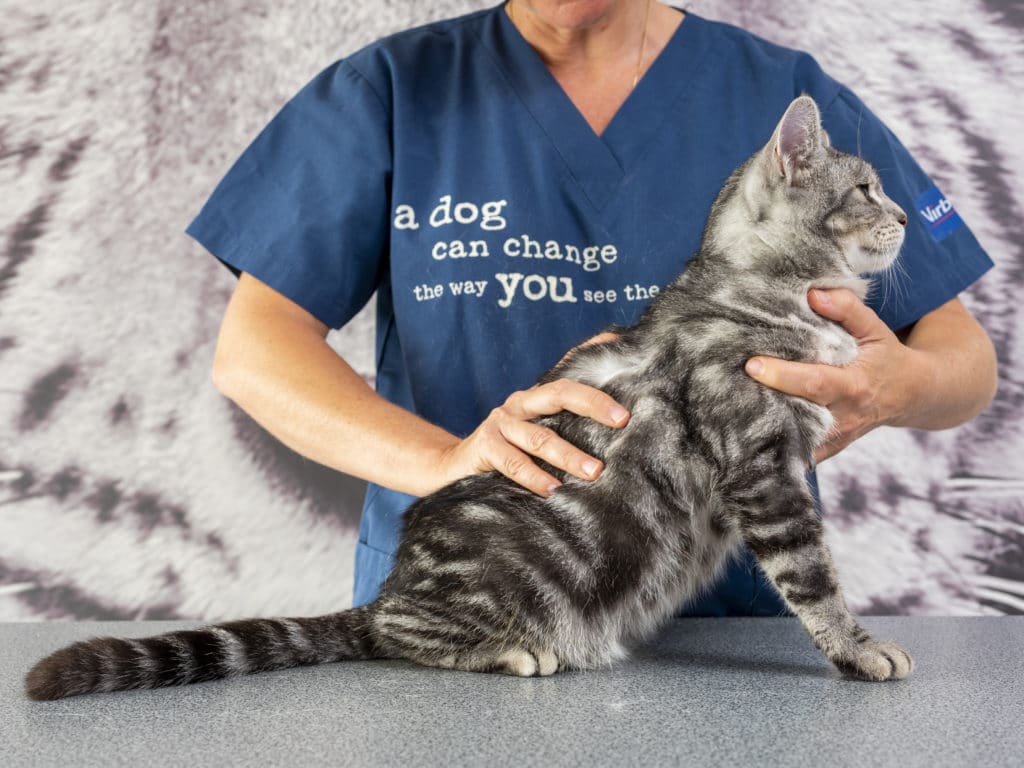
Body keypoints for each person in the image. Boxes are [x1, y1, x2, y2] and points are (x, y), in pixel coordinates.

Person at [187, 1, 997, 615]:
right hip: (483, 606)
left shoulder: (782, 100)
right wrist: (441, 461)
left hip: (726, 629)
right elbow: (255, 349)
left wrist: (899, 388)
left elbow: (963, 356)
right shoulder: (390, 93)